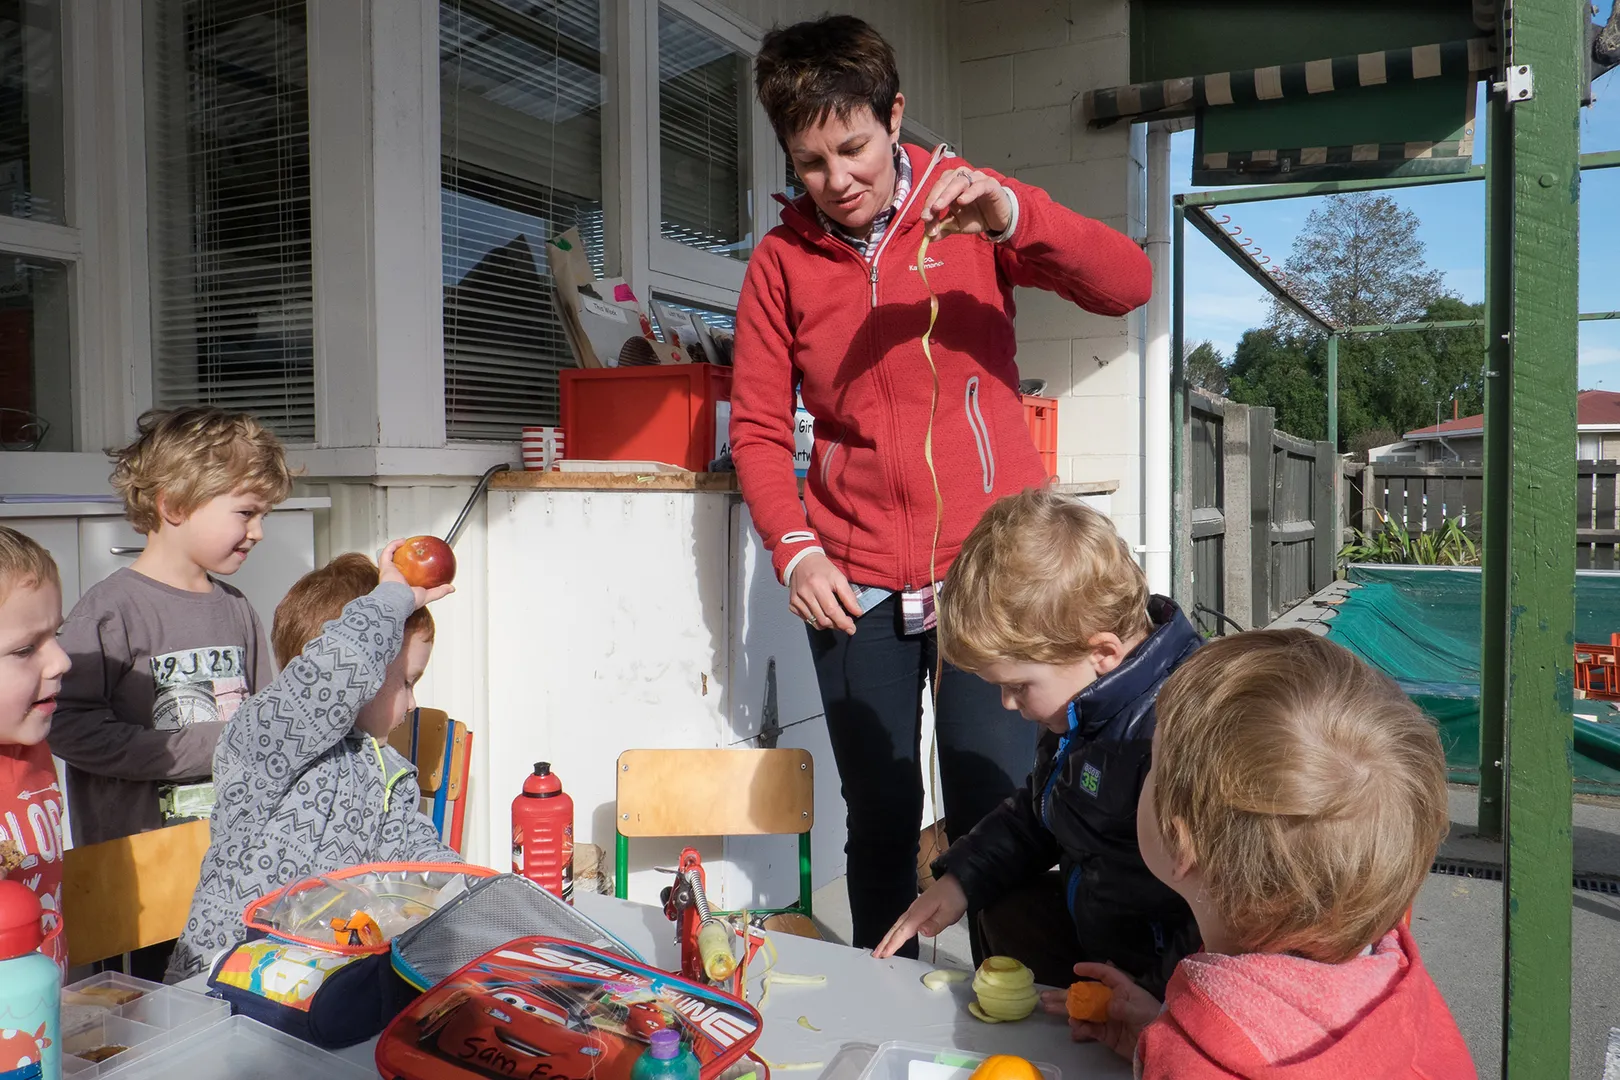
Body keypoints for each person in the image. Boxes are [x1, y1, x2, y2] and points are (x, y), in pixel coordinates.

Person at [730, 14, 1153, 957]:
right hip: (853, 583)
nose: (837, 180)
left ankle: (1014, 1013)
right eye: (809, 163)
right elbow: (757, 430)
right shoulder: (780, 264)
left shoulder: (973, 211)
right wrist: (794, 549)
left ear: (896, 118)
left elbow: (1128, 284)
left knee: (997, 816)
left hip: (986, 574)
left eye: (853, 147)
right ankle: (890, 1016)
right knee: (877, 820)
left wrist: (1014, 215)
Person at [1046, 631, 1474, 1079]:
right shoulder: (1400, 988)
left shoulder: (1198, 1067)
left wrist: (1174, 1056)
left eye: (1152, 765)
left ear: (1180, 842)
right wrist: (1158, 1031)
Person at [874, 489, 1201, 993]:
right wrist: (961, 877)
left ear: (1102, 652)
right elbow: (1042, 812)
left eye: (1018, 686)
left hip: (1166, 975)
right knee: (1002, 907)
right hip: (1102, 935)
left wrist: (1160, 1013)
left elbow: (1219, 909)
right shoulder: (1081, 709)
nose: (1007, 704)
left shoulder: (1174, 731)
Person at [51, 406, 291, 978]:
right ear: (174, 504)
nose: (258, 530)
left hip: (232, 871)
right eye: (246, 512)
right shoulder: (110, 611)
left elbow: (266, 722)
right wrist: (207, 745)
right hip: (138, 883)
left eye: (262, 514)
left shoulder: (236, 610)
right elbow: (69, 727)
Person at [167, 545, 459, 982]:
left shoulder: (388, 773)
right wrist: (390, 603)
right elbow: (327, 680)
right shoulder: (266, 740)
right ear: (363, 673)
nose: (414, 703)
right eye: (407, 682)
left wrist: (467, 892)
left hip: (315, 982)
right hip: (221, 981)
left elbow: (420, 863)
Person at [0, 528, 72, 970]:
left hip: (42, 1019)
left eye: (55, 636)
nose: (62, 660)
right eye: (26, 648)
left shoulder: (31, 746)